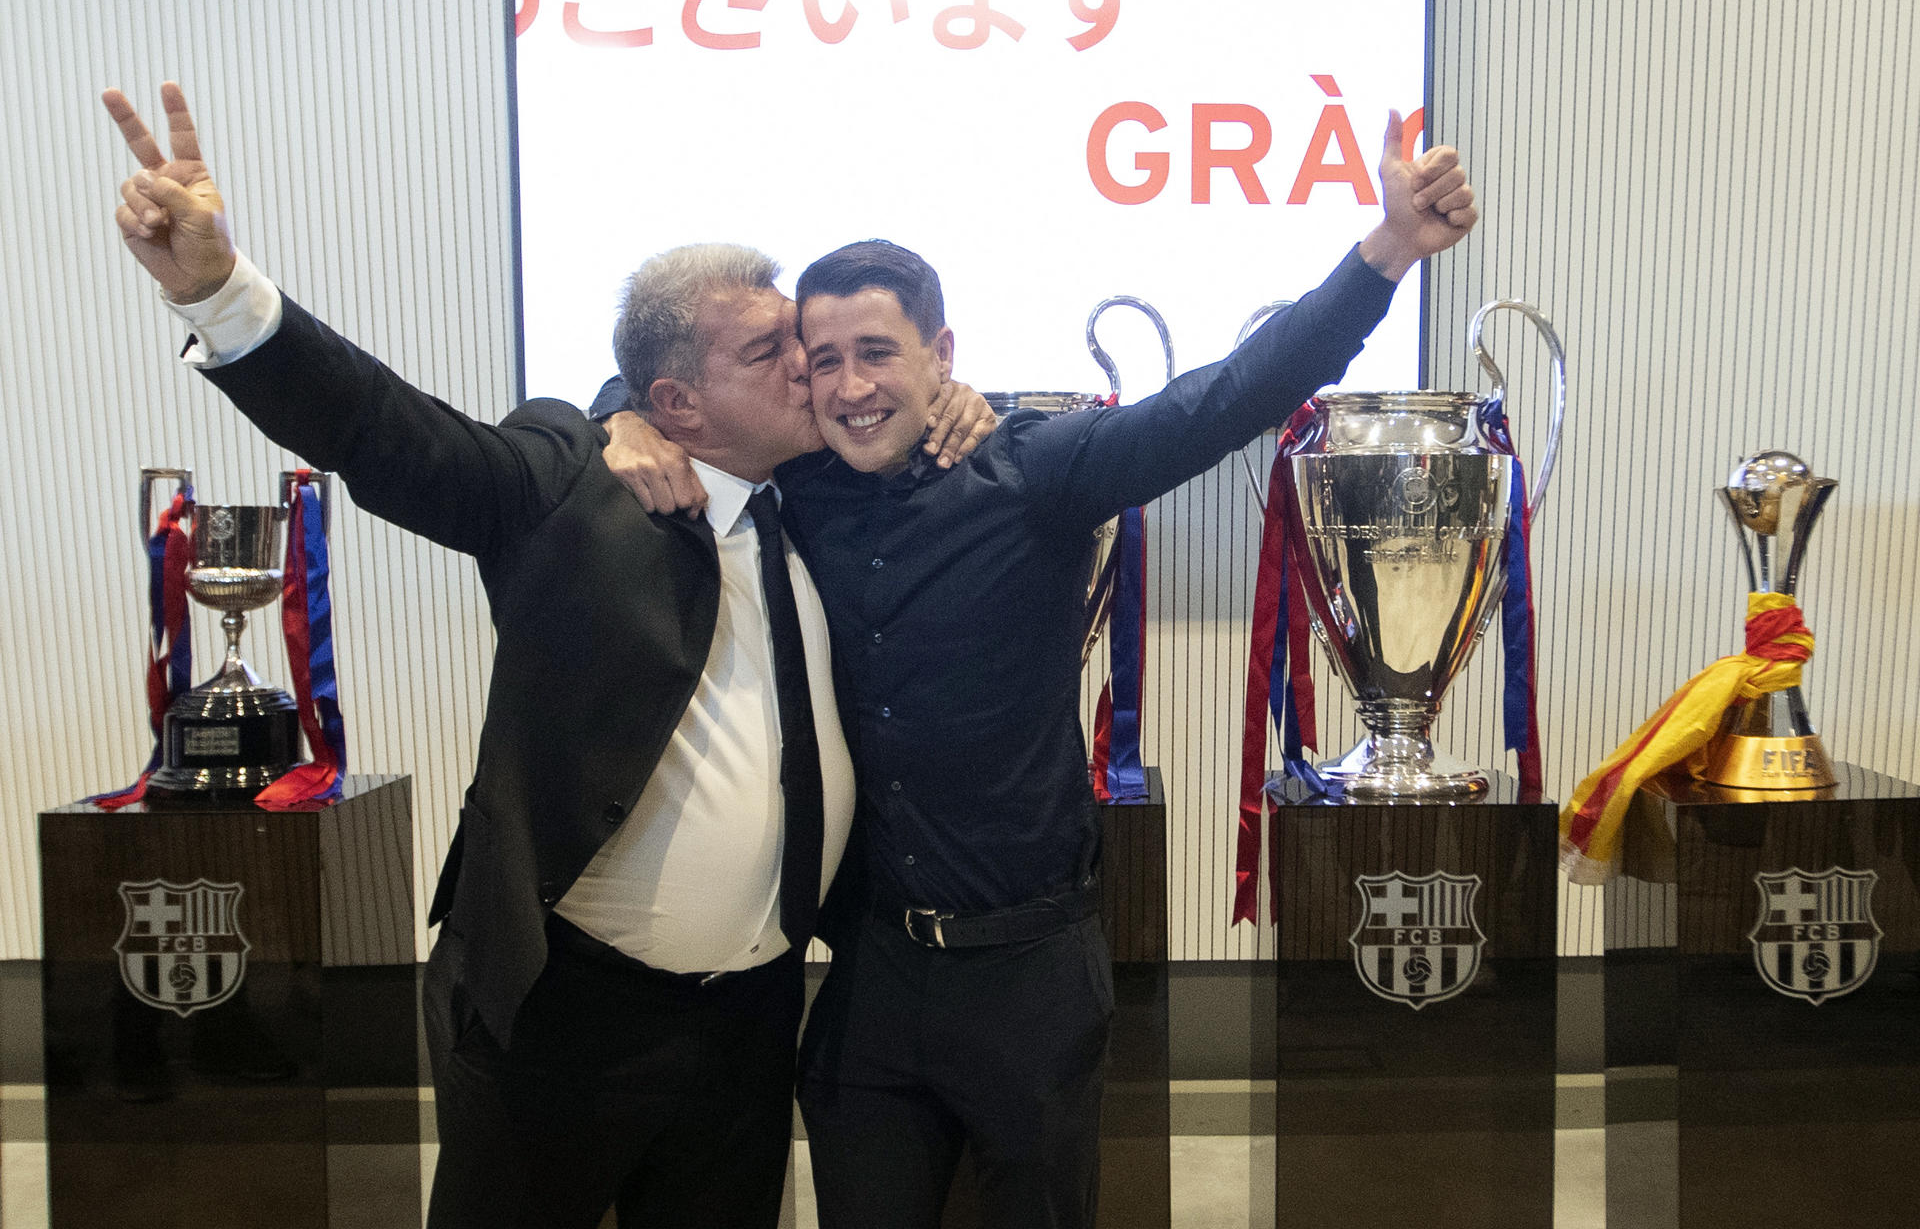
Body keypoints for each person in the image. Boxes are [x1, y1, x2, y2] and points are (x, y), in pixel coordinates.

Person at [99, 82, 993, 1229]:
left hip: (753, 1027)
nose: (815, 375)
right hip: (564, 1018)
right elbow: (383, 430)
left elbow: (911, 402)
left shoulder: (819, 493)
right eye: (776, 351)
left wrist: (964, 402)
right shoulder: (568, 477)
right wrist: (222, 292)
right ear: (678, 401)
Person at [597, 111, 1477, 1228]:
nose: (852, 386)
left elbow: (1224, 399)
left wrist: (1385, 252)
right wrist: (617, 414)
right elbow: (672, 388)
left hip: (1030, 977)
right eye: (825, 363)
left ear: (943, 355)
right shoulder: (795, 488)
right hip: (866, 981)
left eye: (880, 352)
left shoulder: (1037, 470)